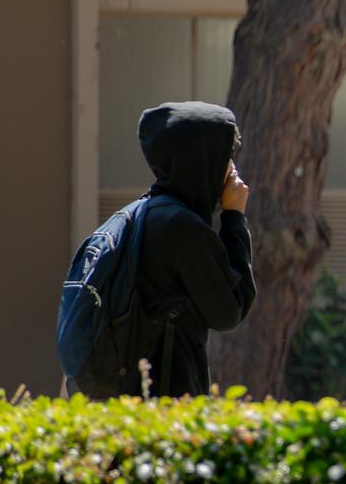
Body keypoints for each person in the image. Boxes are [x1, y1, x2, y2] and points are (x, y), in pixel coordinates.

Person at [85, 102, 256, 398]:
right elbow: (230, 310)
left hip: (120, 400)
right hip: (165, 405)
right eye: (226, 156)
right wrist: (234, 218)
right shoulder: (183, 230)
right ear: (204, 159)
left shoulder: (137, 216)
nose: (232, 169)